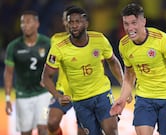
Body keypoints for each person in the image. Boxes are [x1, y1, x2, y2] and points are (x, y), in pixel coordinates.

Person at [41, 6, 124, 135]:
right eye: (71, 22)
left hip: (102, 93)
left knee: (111, 131)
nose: (74, 26)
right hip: (78, 97)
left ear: (86, 23)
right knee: (54, 123)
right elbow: (46, 76)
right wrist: (57, 96)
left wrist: (124, 84)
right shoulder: (58, 46)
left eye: (77, 22)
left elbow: (112, 61)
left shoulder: (99, 39)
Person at [109, 3, 166, 135]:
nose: (130, 28)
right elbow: (129, 74)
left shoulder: (161, 39)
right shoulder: (124, 45)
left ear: (143, 21)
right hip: (144, 98)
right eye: (126, 24)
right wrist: (122, 98)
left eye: (134, 23)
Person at [4, 10, 51, 135]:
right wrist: (8, 98)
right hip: (22, 94)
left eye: (28, 21)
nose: (25, 25)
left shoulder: (47, 43)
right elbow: (8, 73)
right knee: (26, 132)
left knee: (43, 128)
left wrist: (49, 79)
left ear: (37, 24)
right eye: (22, 22)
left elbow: (56, 66)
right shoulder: (13, 47)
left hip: (43, 93)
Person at [46, 5, 87, 135]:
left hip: (85, 91)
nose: (69, 23)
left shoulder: (92, 40)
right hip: (63, 89)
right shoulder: (56, 40)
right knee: (52, 123)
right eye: (66, 20)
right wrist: (47, 77)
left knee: (82, 131)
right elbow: (51, 63)